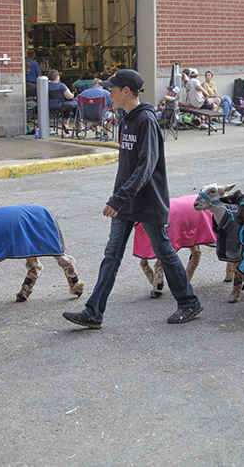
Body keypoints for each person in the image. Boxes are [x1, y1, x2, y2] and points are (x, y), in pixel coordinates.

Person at [62, 69, 202, 328]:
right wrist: (119, 196)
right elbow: (126, 166)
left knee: (164, 251)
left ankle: (189, 302)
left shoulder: (145, 120)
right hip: (126, 201)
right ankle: (93, 312)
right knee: (111, 255)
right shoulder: (124, 118)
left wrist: (118, 198)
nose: (108, 93)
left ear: (126, 91)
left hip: (147, 200)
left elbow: (145, 166)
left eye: (112, 90)